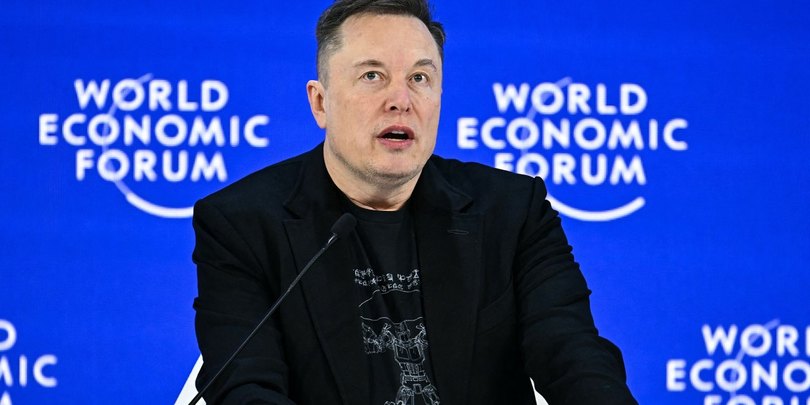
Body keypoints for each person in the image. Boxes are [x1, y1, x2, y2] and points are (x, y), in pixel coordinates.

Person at [192, 0, 638, 404]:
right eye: (372, 76)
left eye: (419, 78)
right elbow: (246, 387)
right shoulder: (242, 224)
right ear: (321, 103)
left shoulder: (513, 211)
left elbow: (573, 355)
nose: (401, 101)